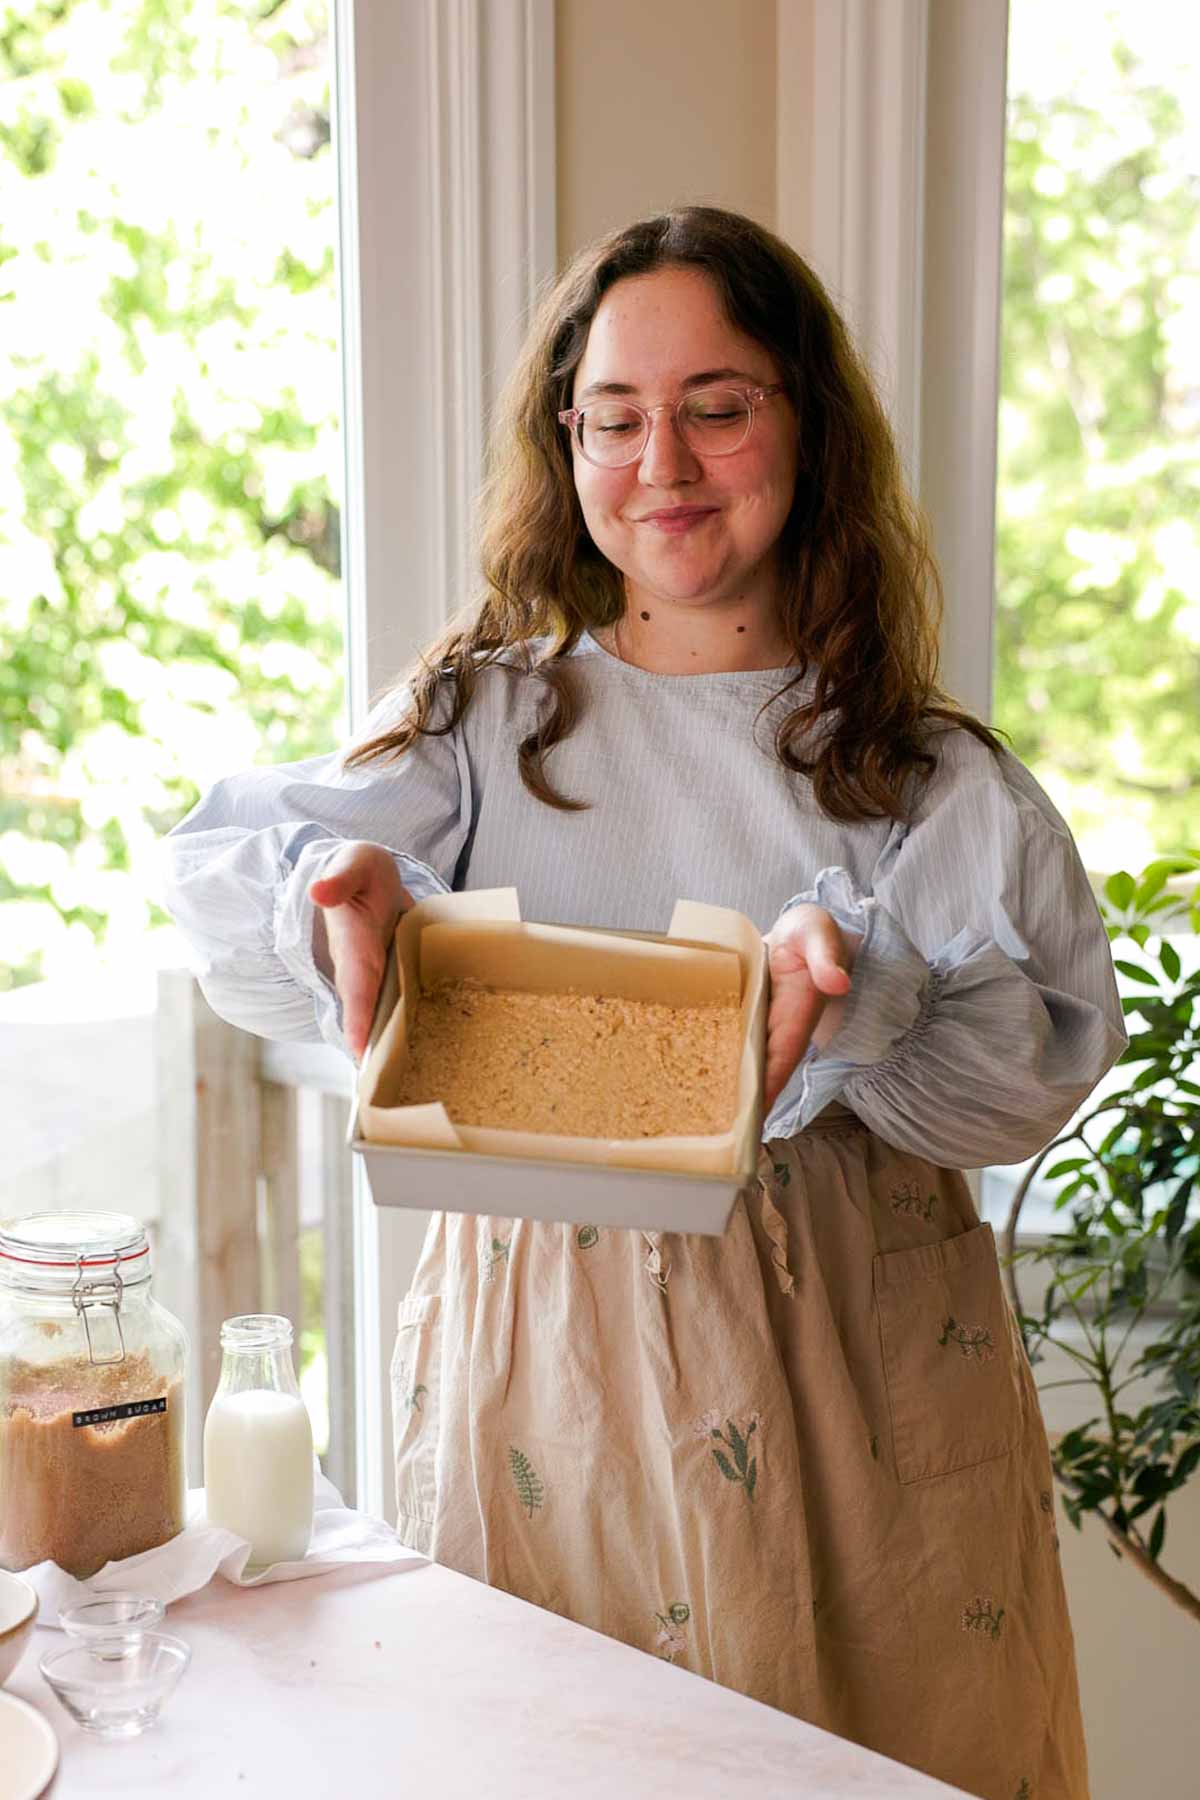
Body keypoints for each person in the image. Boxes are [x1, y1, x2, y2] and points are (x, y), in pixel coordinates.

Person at [163, 205, 1126, 1800]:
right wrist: (339, 913)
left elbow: (1030, 1079)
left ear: (806, 421)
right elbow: (260, 886)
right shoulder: (488, 720)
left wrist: (859, 995)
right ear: (569, 444)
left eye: (717, 405)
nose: (660, 460)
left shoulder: (931, 776)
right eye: (613, 417)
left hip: (855, 1381)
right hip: (543, 1372)